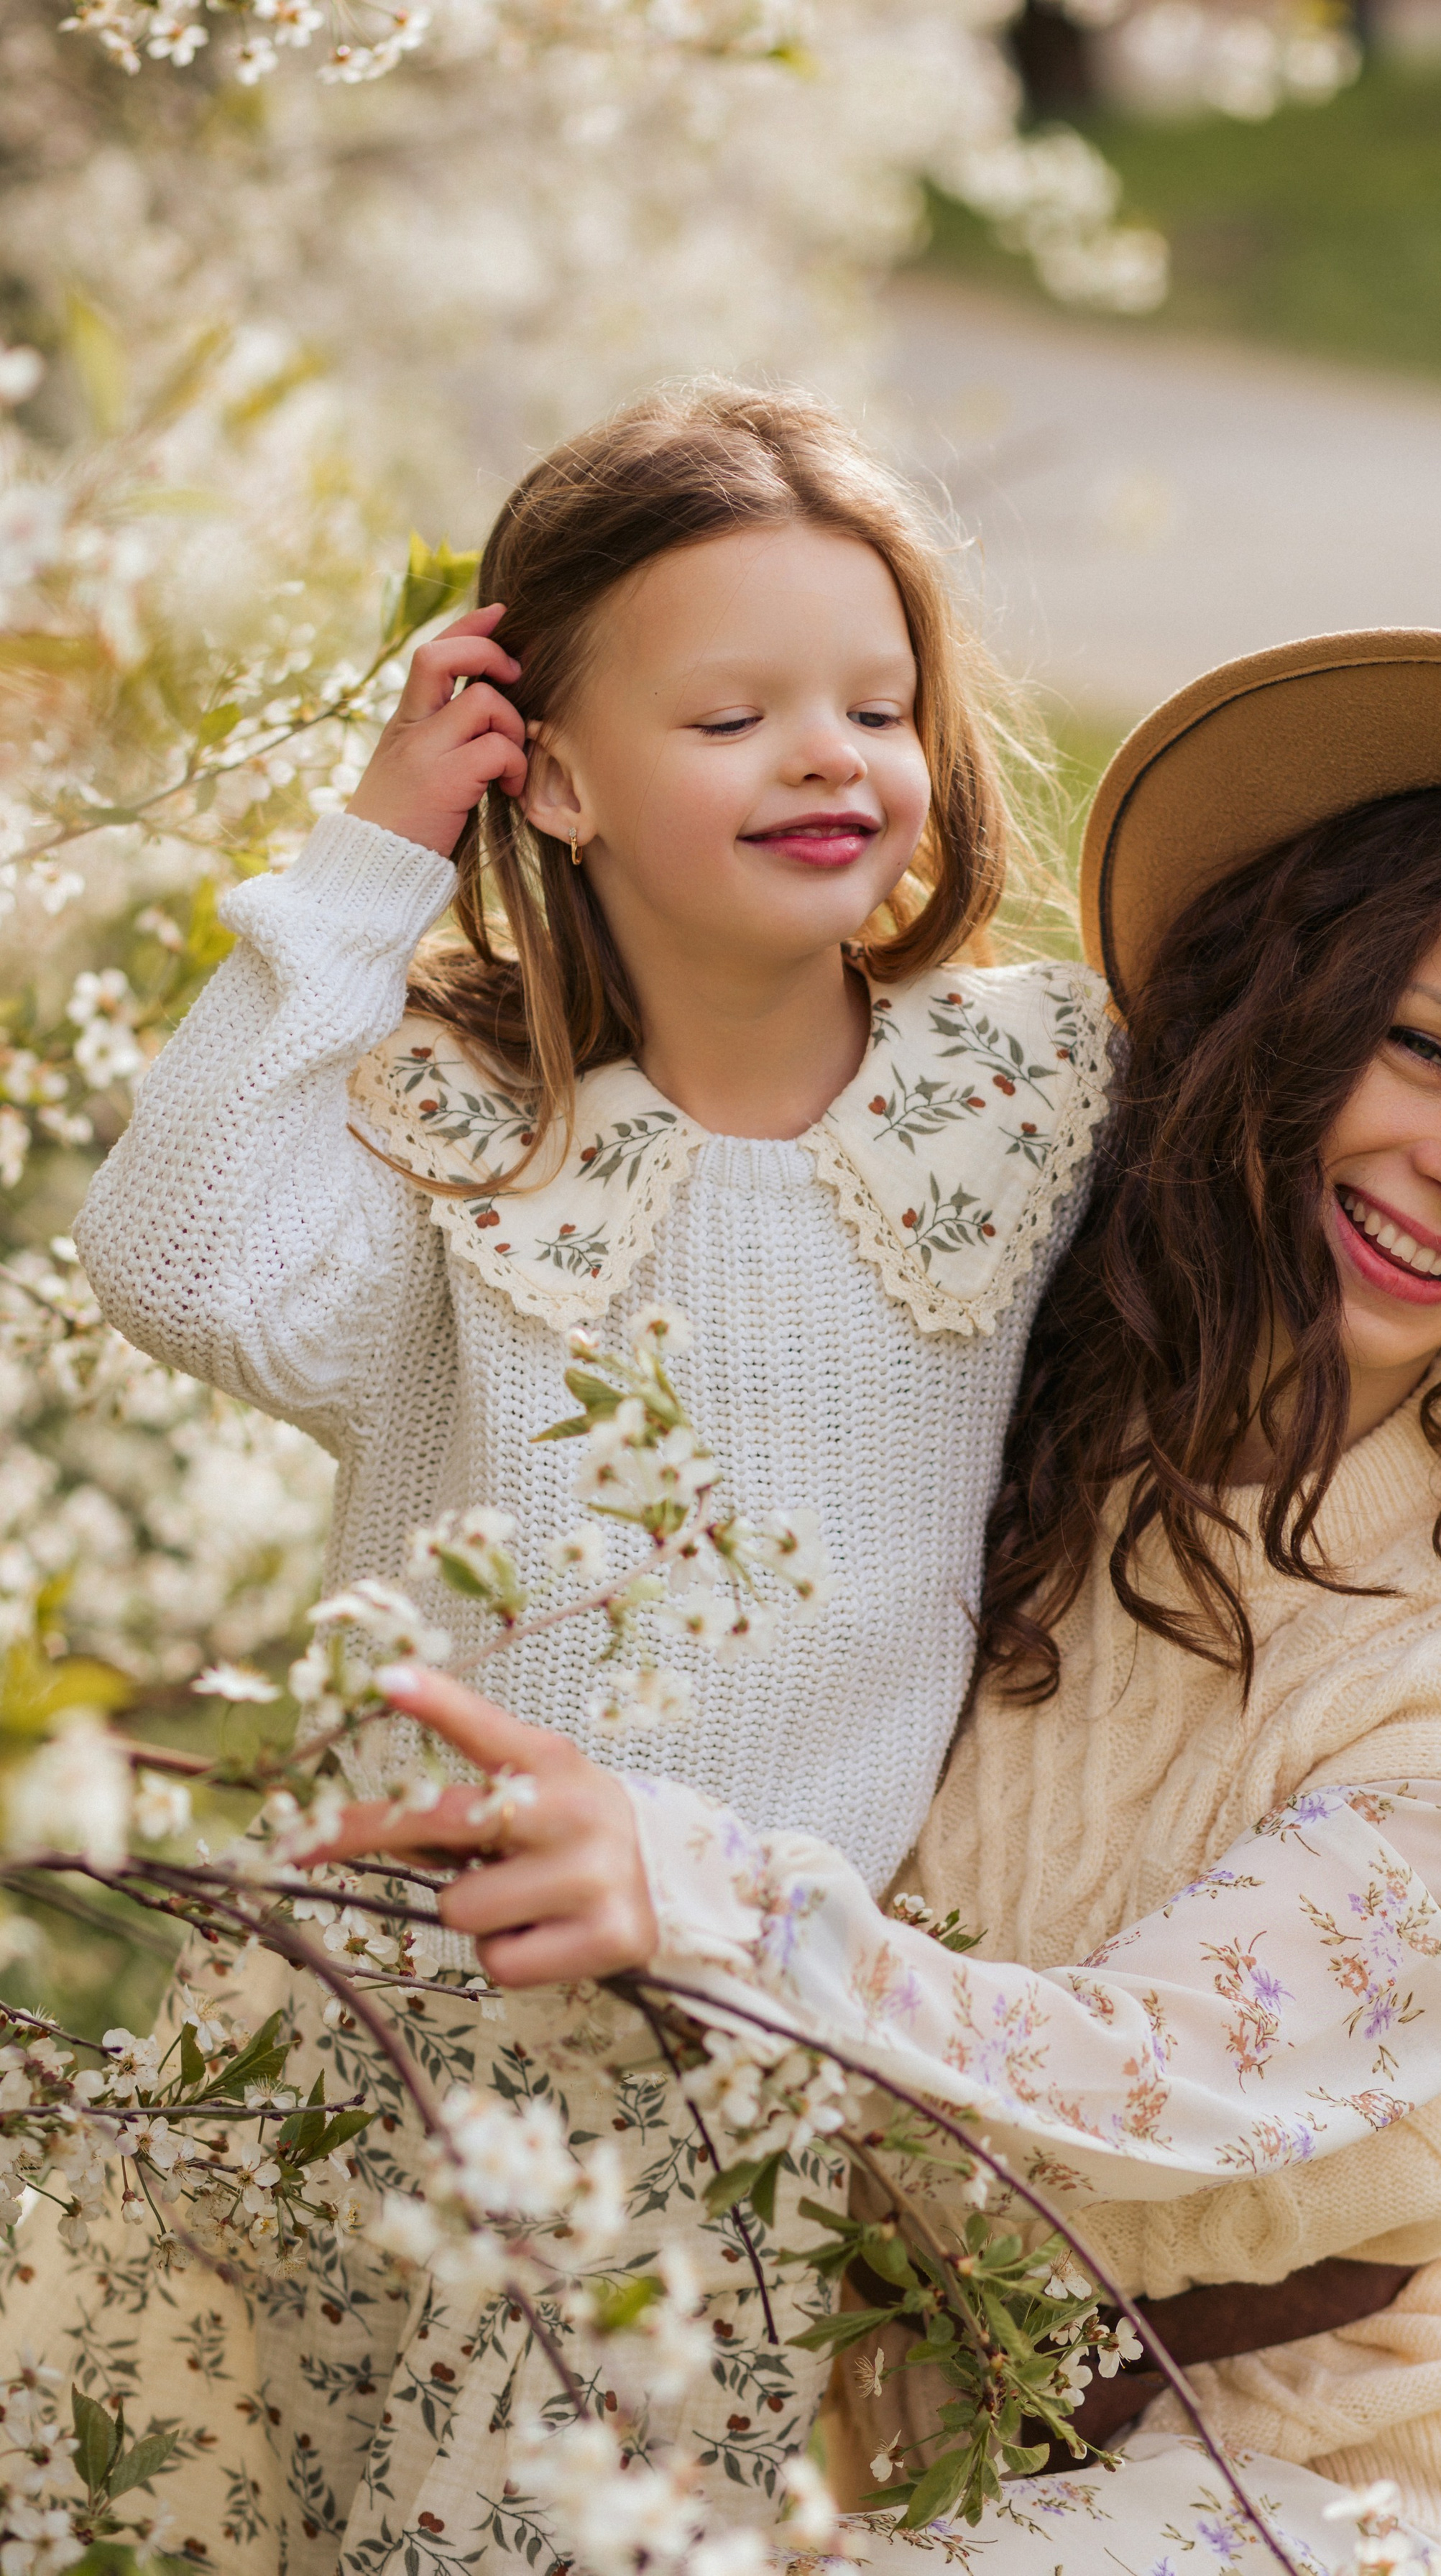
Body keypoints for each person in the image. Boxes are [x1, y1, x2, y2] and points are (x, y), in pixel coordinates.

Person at [322, 632, 1441, 2570]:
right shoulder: (1018, 1358)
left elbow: (1153, 2073)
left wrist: (715, 1900)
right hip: (915, 2454)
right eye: (1425, 1043)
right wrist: (410, 852)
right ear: (1289, 1001)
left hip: (1319, 2495)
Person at [5, 386, 1112, 2571]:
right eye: (735, 715)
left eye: (877, 705)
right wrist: (368, 857)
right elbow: (179, 1262)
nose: (828, 756)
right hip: (393, 2015)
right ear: (564, 778)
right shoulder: (469, 1125)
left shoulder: (1026, 1086)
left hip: (744, 2039)